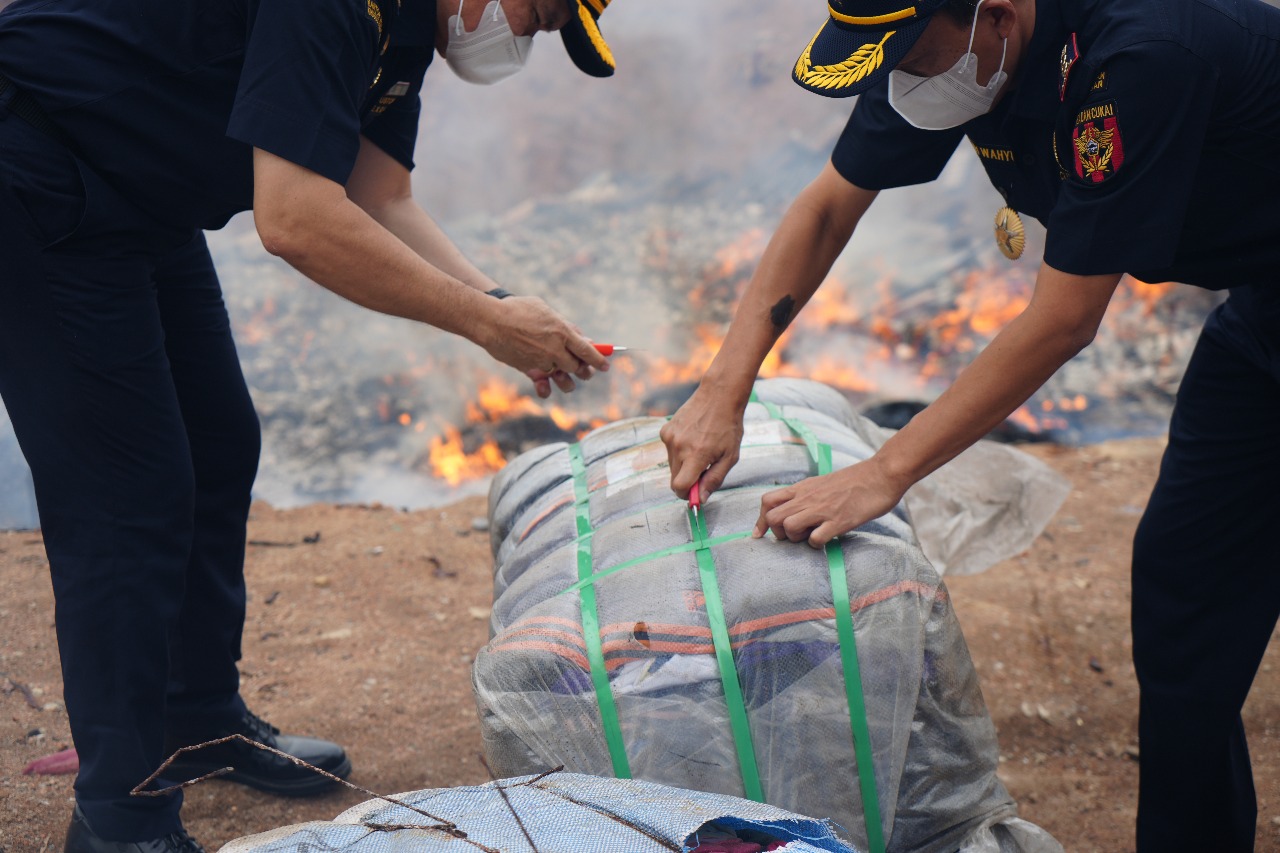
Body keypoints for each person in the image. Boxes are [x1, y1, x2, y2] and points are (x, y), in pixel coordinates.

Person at [0, 0, 622, 849]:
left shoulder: (405, 29)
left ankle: (196, 719)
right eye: (539, 14)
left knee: (219, 447)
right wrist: (485, 322)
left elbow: (379, 195)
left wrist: (500, 305)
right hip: (35, 163)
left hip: (138, 188)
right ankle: (121, 819)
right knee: (127, 501)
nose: (525, 38)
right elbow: (294, 220)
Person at [660, 0, 1280, 849]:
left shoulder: (1138, 60)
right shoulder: (941, 57)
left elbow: (1064, 317)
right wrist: (723, 388)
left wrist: (885, 471)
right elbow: (829, 207)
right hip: (1265, 311)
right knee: (1186, 590)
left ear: (996, 18)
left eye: (910, 60)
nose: (899, 81)